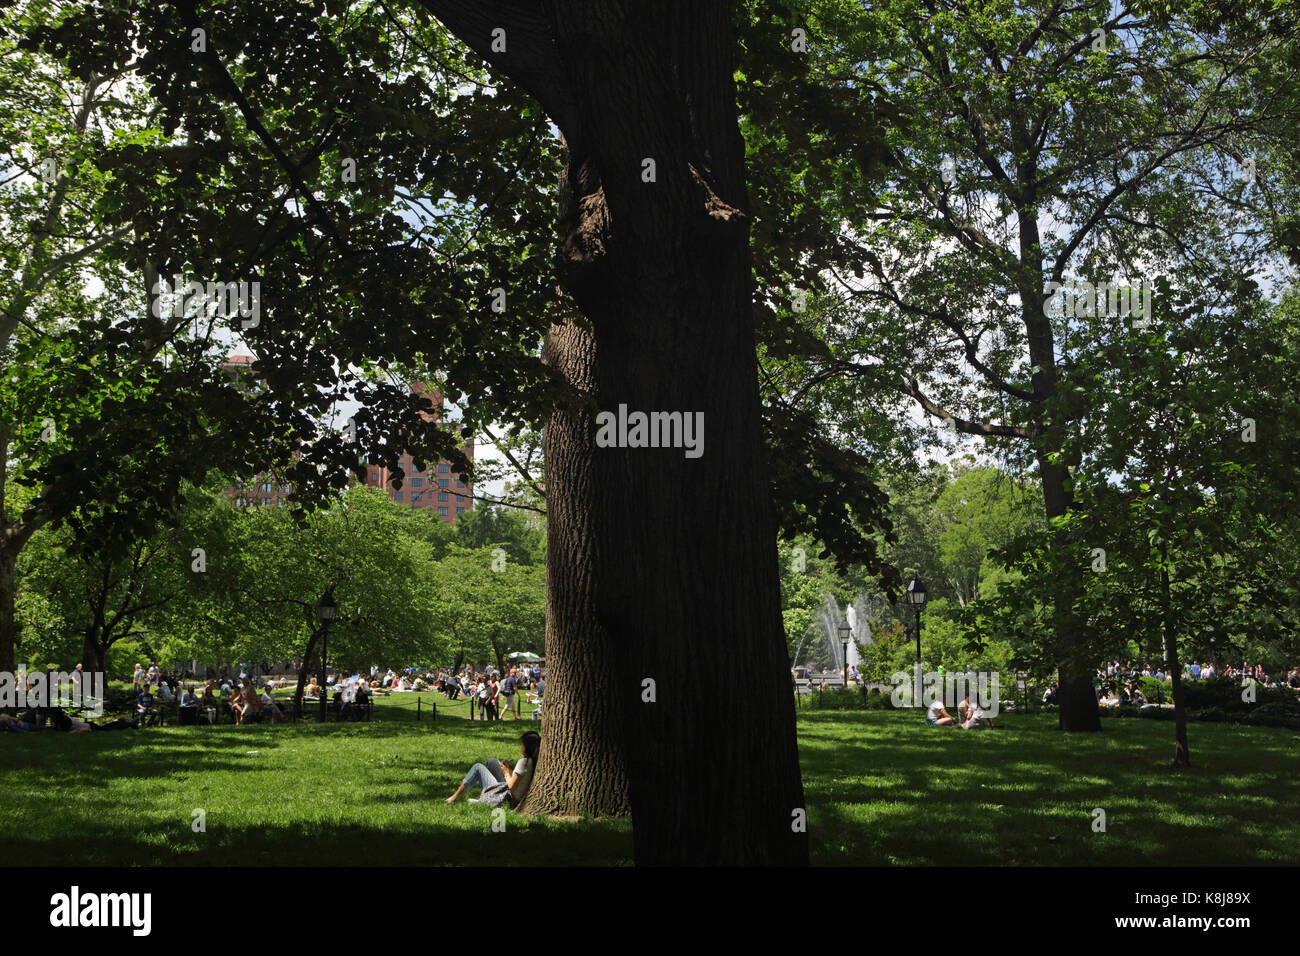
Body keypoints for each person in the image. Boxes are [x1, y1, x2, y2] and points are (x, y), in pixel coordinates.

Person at [446, 731, 541, 807]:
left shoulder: (524, 762)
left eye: (522, 744)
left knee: (478, 767)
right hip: (513, 794)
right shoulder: (534, 761)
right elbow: (519, 779)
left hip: (507, 796)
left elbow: (512, 786)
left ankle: (454, 797)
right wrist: (508, 770)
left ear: (527, 747)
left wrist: (506, 773)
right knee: (492, 762)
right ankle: (482, 795)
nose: (521, 747)